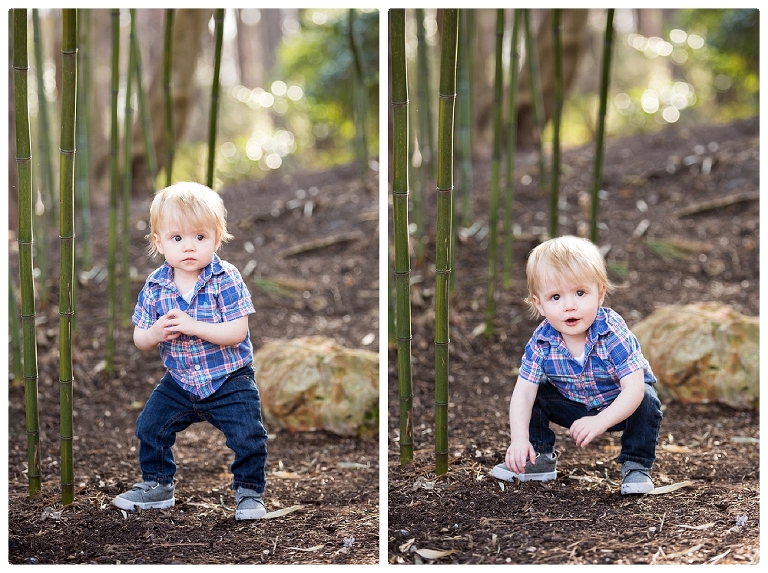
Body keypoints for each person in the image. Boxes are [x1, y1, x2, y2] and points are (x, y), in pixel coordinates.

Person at [113, 182, 269, 519]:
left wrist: (192, 325)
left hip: (228, 378)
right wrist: (154, 332)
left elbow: (236, 332)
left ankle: (249, 491)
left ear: (217, 237)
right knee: (150, 426)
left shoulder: (225, 278)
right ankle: (158, 485)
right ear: (159, 242)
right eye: (177, 238)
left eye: (200, 237)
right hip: (180, 380)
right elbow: (140, 338)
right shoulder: (156, 285)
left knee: (248, 434)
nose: (189, 247)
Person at [492, 235, 662, 494]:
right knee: (535, 394)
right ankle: (537, 457)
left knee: (648, 399)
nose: (570, 306)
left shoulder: (612, 332)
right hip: (572, 404)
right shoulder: (542, 340)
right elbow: (524, 392)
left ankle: (636, 465)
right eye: (556, 297)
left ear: (600, 294)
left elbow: (633, 390)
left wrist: (600, 421)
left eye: (580, 293)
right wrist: (518, 439)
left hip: (618, 405)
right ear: (539, 304)